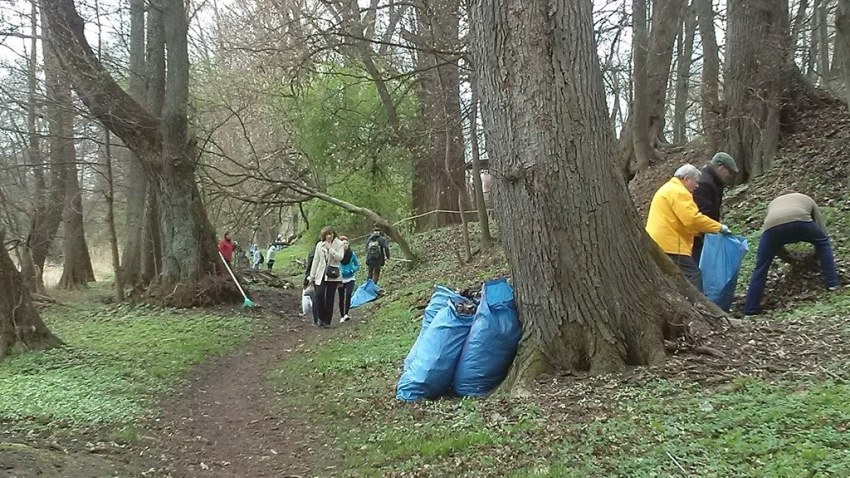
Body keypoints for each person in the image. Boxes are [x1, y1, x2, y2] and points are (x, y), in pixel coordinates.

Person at [743, 192, 840, 316]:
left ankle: (750, 308)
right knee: (823, 243)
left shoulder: (773, 203)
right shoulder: (807, 199)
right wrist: (817, 254)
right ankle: (832, 284)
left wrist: (789, 259)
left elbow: (774, 242)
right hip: (801, 222)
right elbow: (821, 229)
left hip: (771, 228)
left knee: (761, 267)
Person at [646, 164, 731, 292]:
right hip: (670, 243)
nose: (697, 186)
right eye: (695, 182)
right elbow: (692, 219)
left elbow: (681, 219)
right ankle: (696, 303)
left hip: (659, 240)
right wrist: (718, 228)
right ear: (686, 179)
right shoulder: (679, 192)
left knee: (674, 277)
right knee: (693, 274)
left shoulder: (669, 188)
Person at [692, 152, 739, 263]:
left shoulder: (716, 182)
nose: (729, 176)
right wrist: (715, 229)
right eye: (729, 172)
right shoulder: (704, 183)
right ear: (721, 168)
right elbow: (702, 211)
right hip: (699, 235)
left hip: (708, 230)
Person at [308, 227, 345, 327]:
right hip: (321, 273)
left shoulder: (339, 244)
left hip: (333, 274)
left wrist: (330, 249)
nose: (329, 236)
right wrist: (312, 276)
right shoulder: (319, 245)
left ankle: (327, 321)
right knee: (319, 294)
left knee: (330, 297)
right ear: (324, 236)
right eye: (327, 234)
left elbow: (340, 257)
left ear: (334, 234)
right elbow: (316, 260)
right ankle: (321, 317)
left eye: (331, 234)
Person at [337, 236, 360, 323]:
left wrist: (352, 270)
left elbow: (357, 265)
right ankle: (342, 315)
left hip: (350, 278)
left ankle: (346, 313)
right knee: (341, 297)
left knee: (348, 294)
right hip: (340, 279)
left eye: (347, 243)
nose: (345, 245)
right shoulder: (337, 255)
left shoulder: (352, 254)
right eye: (343, 243)